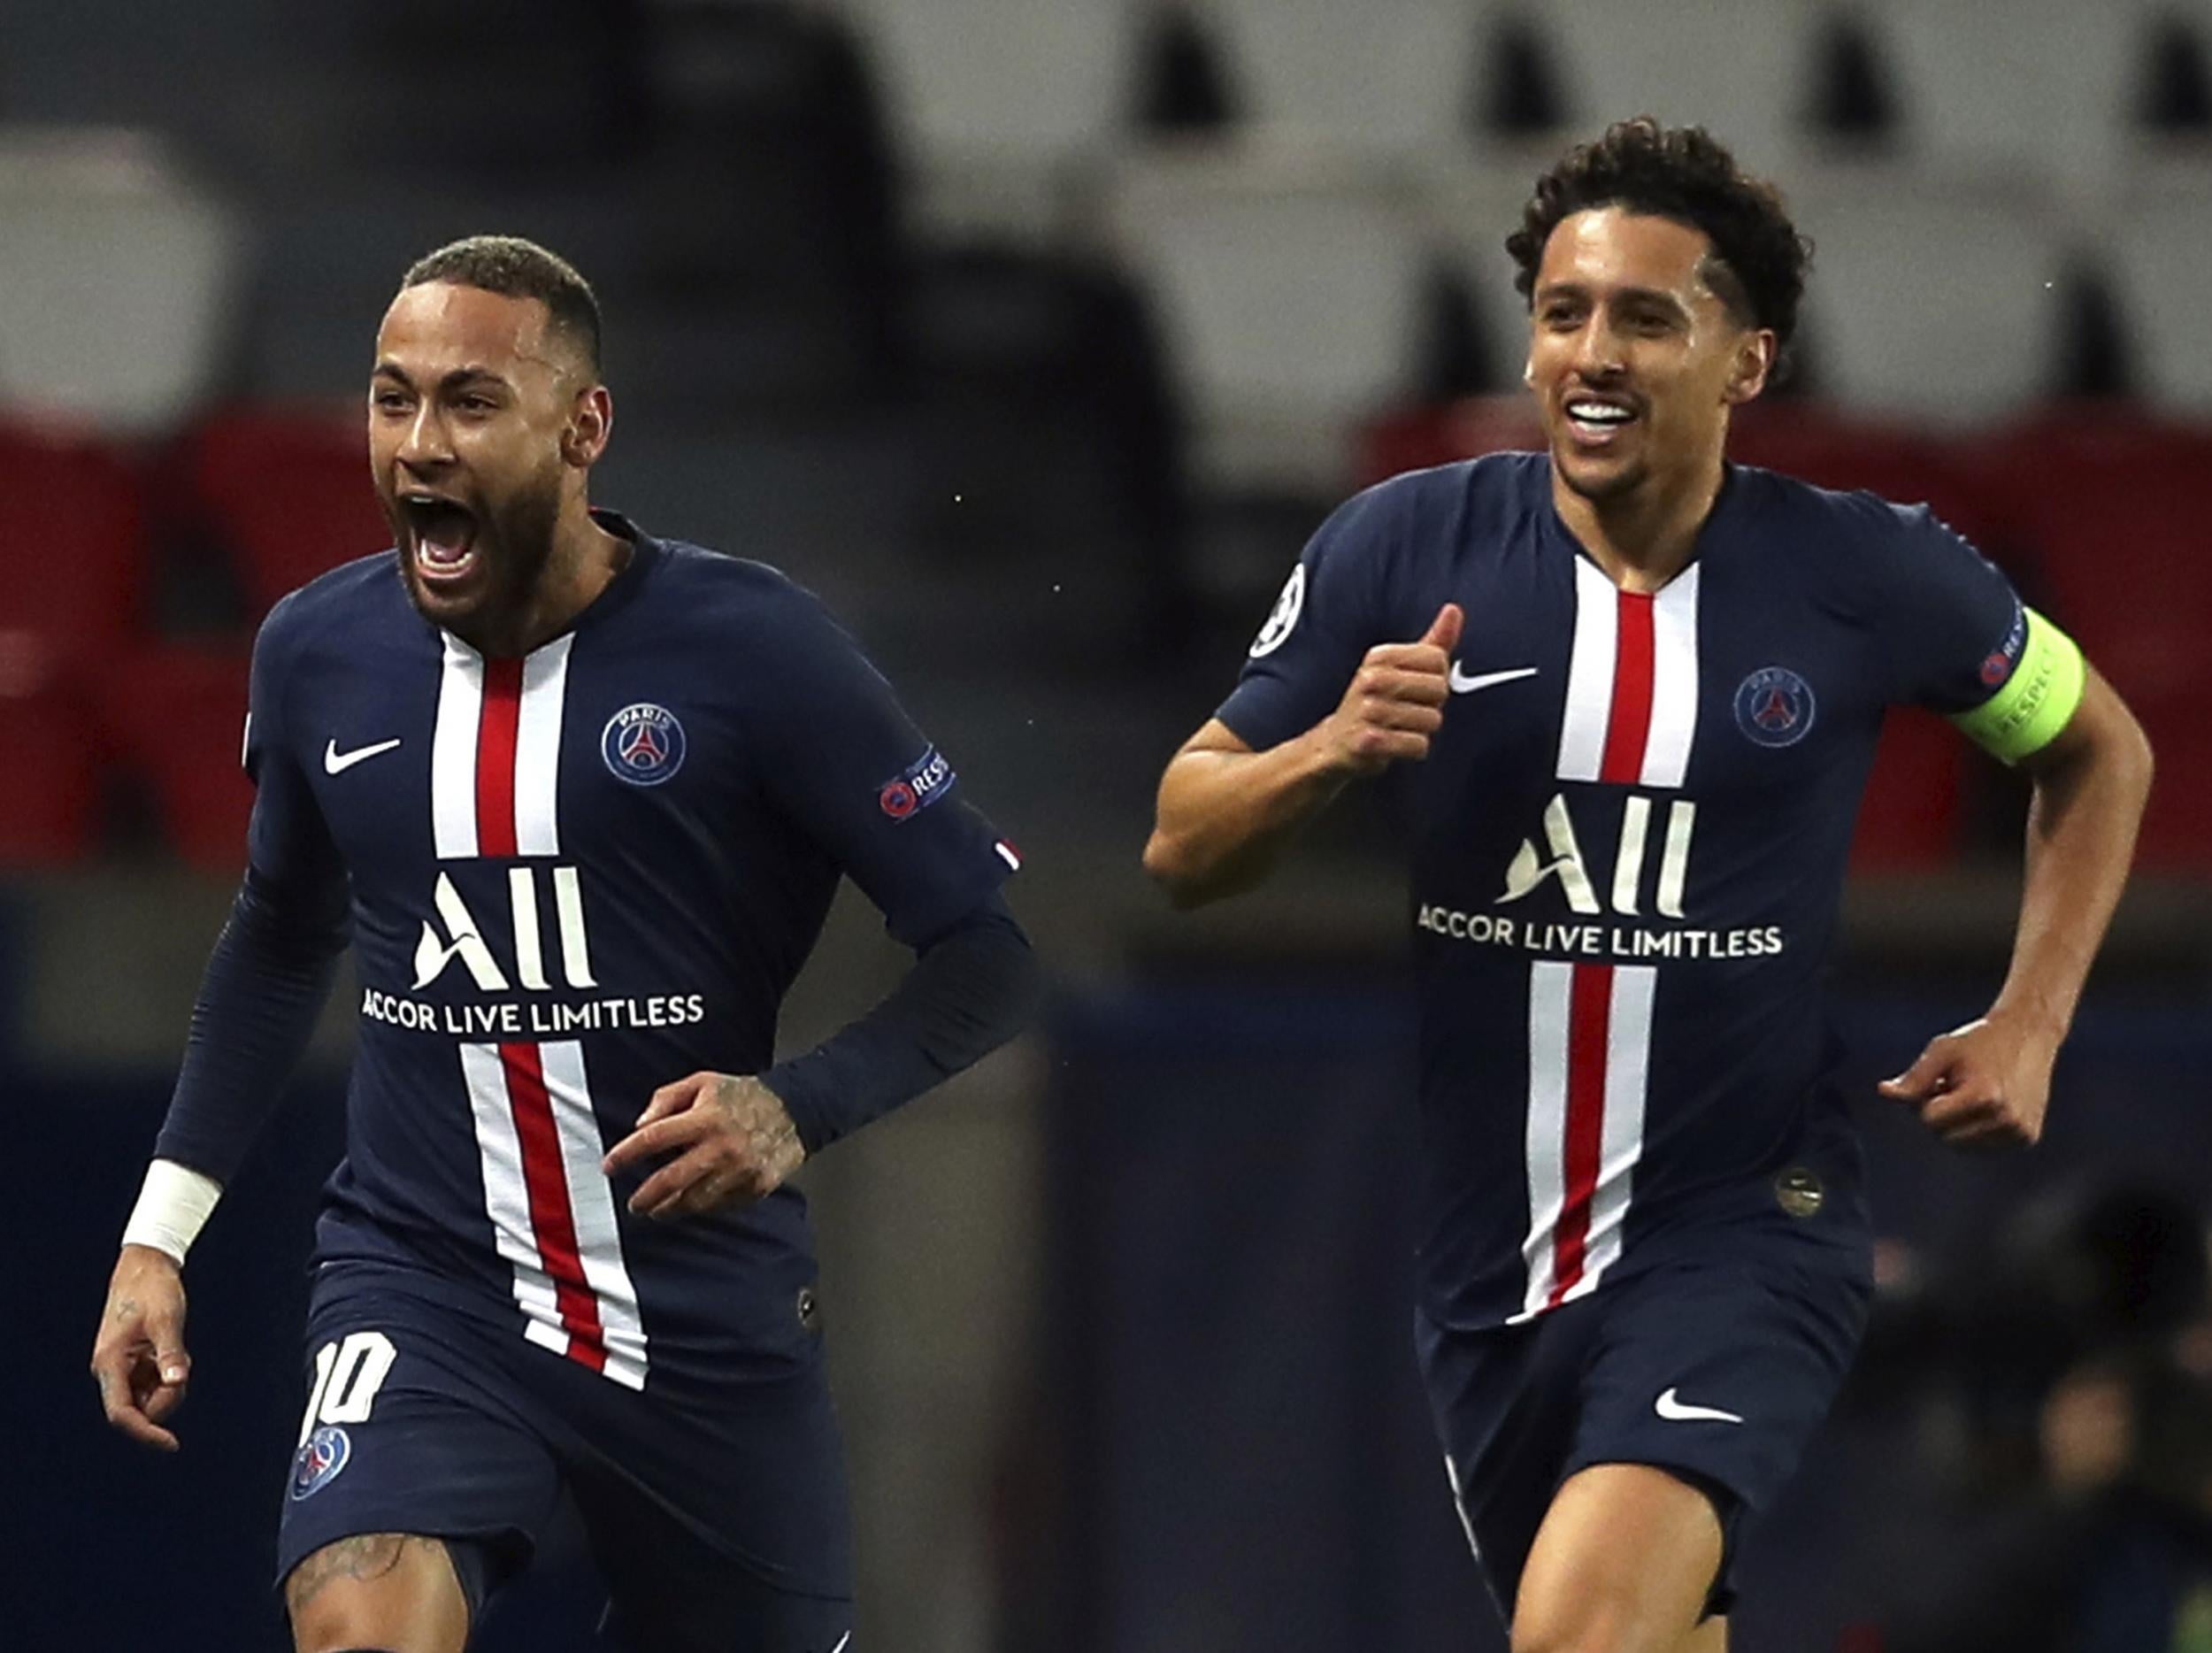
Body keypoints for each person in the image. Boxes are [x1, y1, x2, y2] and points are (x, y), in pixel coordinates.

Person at [1142, 119, 2153, 1653]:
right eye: (1562, 313)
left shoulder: (1866, 574)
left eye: (1644, 316)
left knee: (1576, 1638)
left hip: (1744, 1228)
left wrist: (2032, 1018)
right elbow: (1181, 847)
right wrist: (1329, 751)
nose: (1589, 355)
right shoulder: (1404, 544)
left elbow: (2100, 752)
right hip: (1491, 1265)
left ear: (1747, 359)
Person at [88, 235, 1041, 1653]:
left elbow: (988, 948)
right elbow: (281, 936)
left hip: (701, 1314)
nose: (419, 445)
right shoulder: (314, 656)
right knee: (360, 1630)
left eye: (471, 402)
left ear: (583, 427)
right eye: (391, 398)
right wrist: (157, 1239)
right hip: (426, 1282)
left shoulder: (757, 652)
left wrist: (793, 1108)